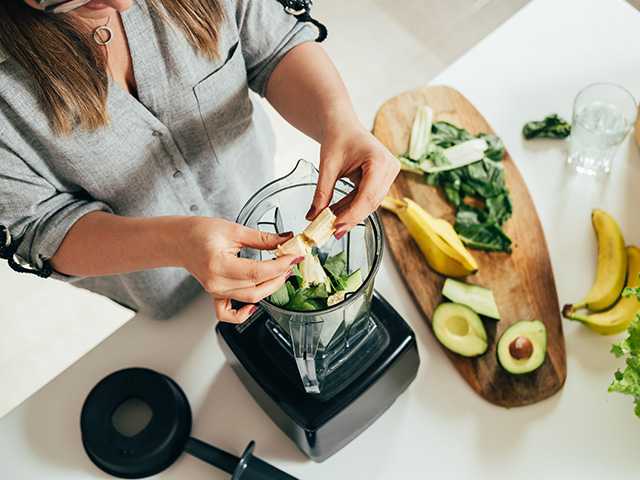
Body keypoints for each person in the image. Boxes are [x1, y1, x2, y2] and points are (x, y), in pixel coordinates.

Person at [0, 0, 399, 323]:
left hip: (249, 186)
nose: (123, 5)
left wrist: (338, 120)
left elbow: (274, 46)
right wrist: (177, 243)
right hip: (156, 284)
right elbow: (41, 227)